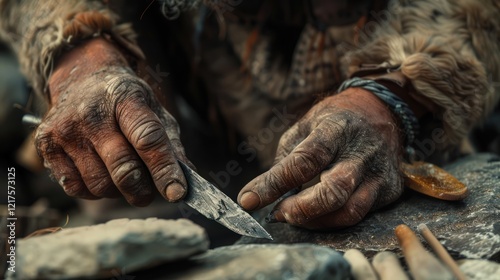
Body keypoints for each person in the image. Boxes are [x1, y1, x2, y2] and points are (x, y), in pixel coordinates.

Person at [1, 0, 498, 229]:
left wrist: (391, 100)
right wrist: (78, 61)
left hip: (376, 63)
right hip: (187, 90)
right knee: (131, 213)